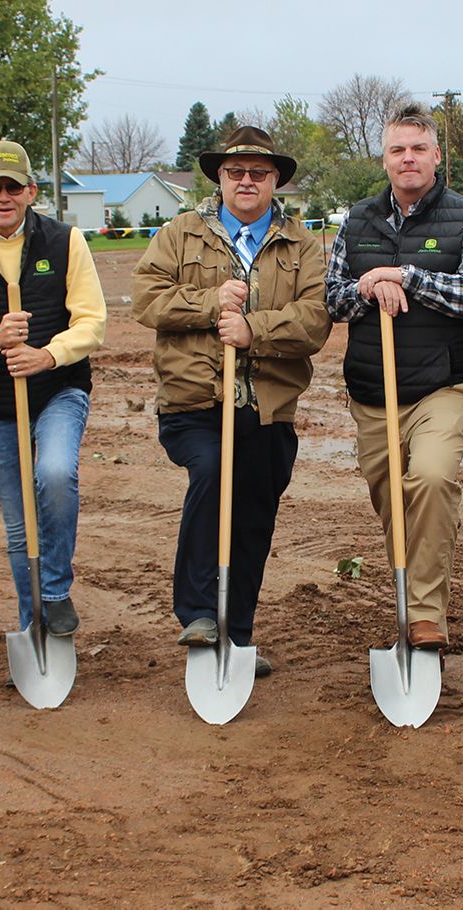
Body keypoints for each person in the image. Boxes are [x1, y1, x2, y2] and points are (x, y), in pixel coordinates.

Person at [132, 127, 330, 677]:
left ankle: (236, 635)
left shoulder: (301, 245)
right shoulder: (180, 234)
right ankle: (199, 613)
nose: (246, 181)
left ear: (275, 181)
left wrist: (253, 329)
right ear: (219, 177)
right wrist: (209, 303)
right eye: (236, 172)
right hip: (194, 403)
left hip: (267, 408)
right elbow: (146, 298)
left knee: (253, 518)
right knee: (213, 471)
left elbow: (315, 319)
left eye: (258, 173)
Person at [325, 102, 463, 651]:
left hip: (446, 385)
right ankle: (413, 597)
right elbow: (332, 299)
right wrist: (368, 286)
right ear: (384, 159)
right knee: (395, 508)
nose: (408, 158)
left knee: (429, 478)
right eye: (397, 149)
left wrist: (408, 276)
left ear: (436, 156)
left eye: (418, 149)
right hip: (373, 392)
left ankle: (425, 617)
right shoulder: (356, 222)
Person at [0, 139, 106, 637]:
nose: (4, 196)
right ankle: (32, 630)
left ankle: (53, 592)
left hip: (59, 390)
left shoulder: (65, 241)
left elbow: (92, 322)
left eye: (14, 187)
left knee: (54, 474)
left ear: (31, 191)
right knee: (18, 526)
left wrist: (46, 355)